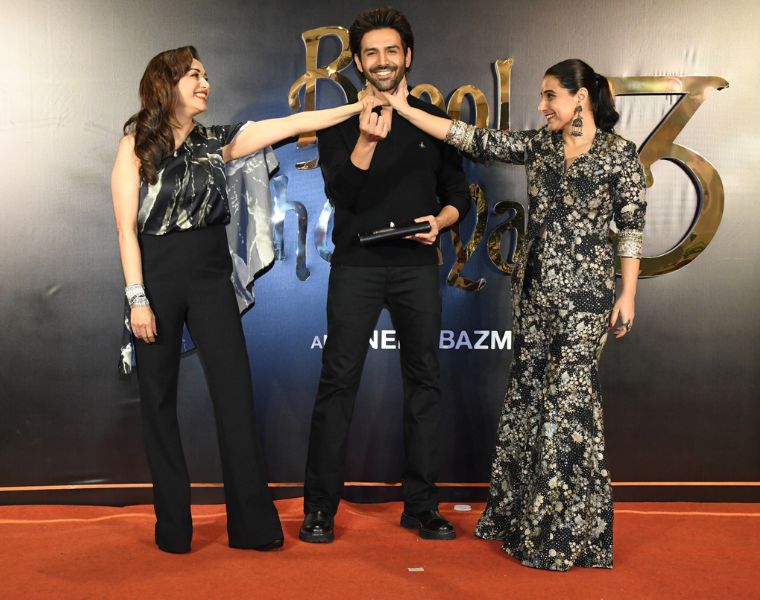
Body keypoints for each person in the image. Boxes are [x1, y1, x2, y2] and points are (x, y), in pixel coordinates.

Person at [111, 45, 378, 554]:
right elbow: (126, 229)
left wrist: (355, 108)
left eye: (206, 75)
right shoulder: (135, 145)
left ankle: (253, 526)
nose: (205, 83)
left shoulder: (218, 142)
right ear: (166, 82)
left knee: (234, 398)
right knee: (158, 404)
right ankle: (173, 529)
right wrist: (137, 298)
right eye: (194, 75)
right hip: (156, 279)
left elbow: (291, 123)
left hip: (211, 278)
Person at [383, 59, 647, 570]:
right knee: (529, 398)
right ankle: (519, 517)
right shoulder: (540, 146)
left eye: (550, 96)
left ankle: (563, 536)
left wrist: (629, 294)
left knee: (568, 408)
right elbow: (471, 138)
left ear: (580, 97)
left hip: (586, 298)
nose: (542, 106)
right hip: (533, 295)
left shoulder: (620, 156)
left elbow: (631, 230)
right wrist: (405, 109)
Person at [300, 7, 471, 543]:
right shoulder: (339, 121)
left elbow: (458, 195)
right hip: (357, 268)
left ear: (407, 57)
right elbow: (342, 195)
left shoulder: (431, 120)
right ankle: (320, 509)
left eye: (391, 50)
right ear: (357, 62)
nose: (381, 61)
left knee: (424, 383)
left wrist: (441, 222)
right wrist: (367, 141)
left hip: (417, 268)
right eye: (371, 52)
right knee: (337, 384)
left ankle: (422, 507)